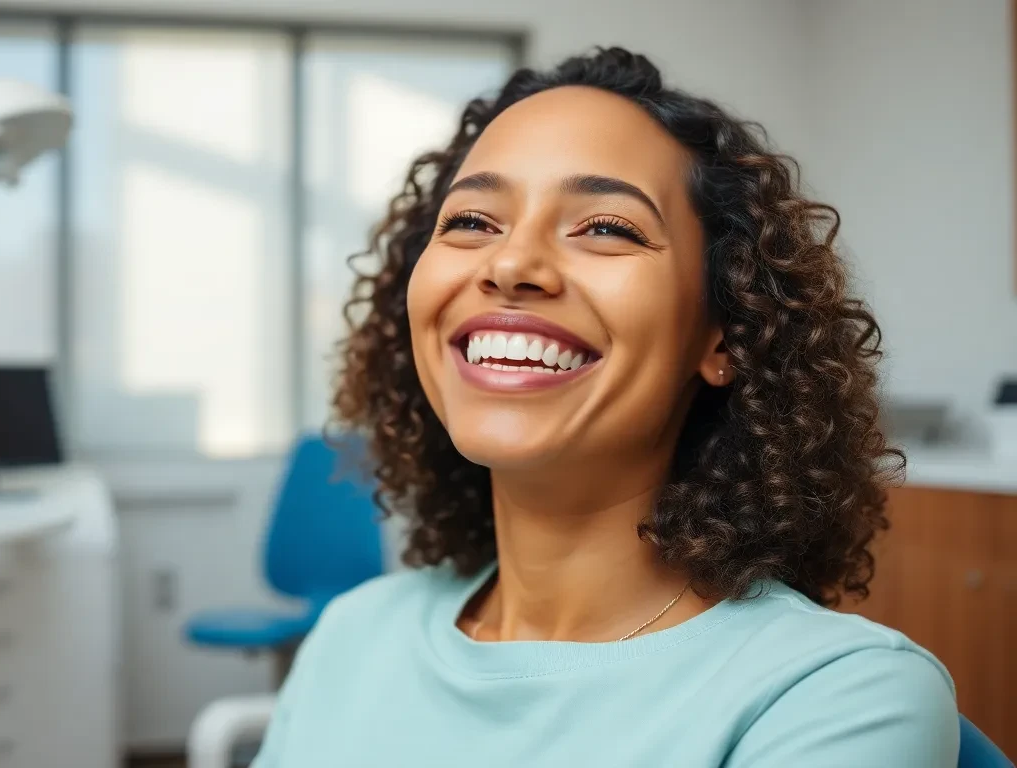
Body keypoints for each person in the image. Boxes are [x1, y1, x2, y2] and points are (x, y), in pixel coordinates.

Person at [251, 47, 960, 767]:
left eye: (607, 228)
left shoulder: (837, 698)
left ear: (726, 332)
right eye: (471, 221)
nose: (510, 265)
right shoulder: (351, 636)